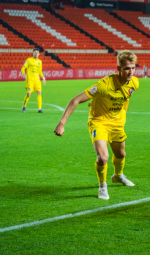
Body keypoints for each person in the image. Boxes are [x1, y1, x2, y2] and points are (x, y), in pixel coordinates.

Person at [54, 50, 139, 200]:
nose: (130, 71)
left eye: (133, 67)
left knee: (121, 154)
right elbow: (75, 100)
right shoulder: (103, 85)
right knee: (103, 157)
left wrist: (119, 114)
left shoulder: (134, 83)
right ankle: (102, 186)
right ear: (119, 68)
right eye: (127, 68)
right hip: (99, 122)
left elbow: (125, 98)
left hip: (117, 124)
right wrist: (62, 123)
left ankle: (118, 175)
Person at [21, 48, 46, 113]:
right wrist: (24, 75)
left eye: (37, 53)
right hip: (30, 80)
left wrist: (43, 77)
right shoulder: (29, 60)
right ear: (33, 53)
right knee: (29, 94)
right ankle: (24, 106)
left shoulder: (40, 61)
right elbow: (23, 68)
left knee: (39, 92)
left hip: (37, 80)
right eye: (35, 52)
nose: (36, 54)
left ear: (39, 54)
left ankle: (39, 109)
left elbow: (40, 71)